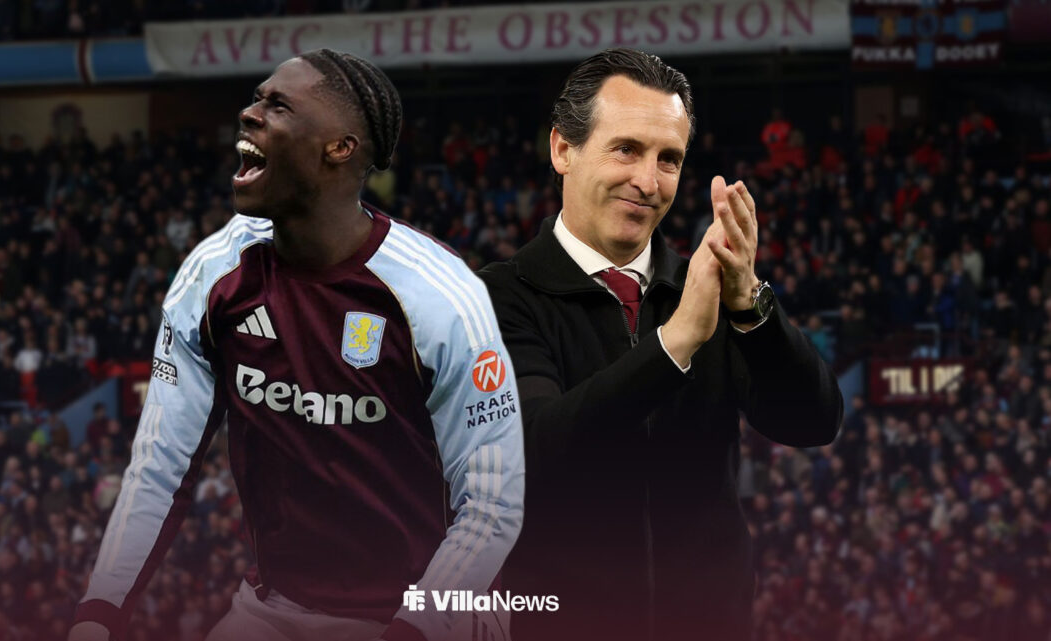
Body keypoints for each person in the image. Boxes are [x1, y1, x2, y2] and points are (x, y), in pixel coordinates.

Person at [69, 50, 524, 641]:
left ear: (340, 147)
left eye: (276, 105)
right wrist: (99, 611)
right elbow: (160, 467)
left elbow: (491, 504)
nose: (249, 113)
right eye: (257, 97)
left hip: (422, 609)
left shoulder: (439, 297)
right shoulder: (216, 275)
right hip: (273, 607)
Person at [477, 48, 842, 641]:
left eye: (669, 159)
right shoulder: (499, 297)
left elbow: (813, 420)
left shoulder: (710, 286)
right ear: (562, 150)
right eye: (626, 149)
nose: (648, 182)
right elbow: (533, 457)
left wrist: (750, 302)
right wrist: (674, 345)